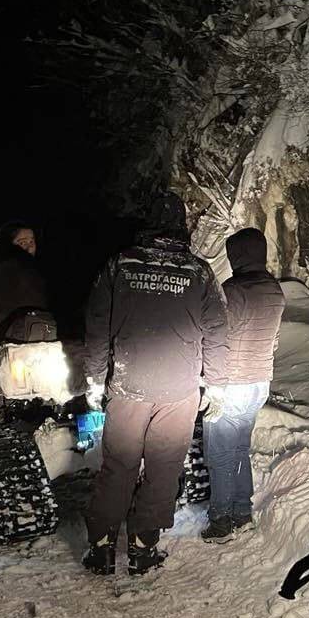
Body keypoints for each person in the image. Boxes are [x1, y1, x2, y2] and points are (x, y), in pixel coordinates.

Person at [81, 193, 229, 575]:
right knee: (164, 469)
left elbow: (96, 324)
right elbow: (217, 330)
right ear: (182, 226)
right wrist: (215, 384)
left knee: (119, 466)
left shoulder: (120, 265)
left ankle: (100, 548)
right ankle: (143, 550)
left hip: (129, 384)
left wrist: (95, 378)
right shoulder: (198, 272)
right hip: (179, 391)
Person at [201, 228, 286, 540]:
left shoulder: (231, 291)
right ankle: (242, 513)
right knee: (239, 449)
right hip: (258, 384)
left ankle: (221, 522)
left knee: (220, 454)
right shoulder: (275, 290)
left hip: (230, 384)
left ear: (236, 256)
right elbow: (273, 342)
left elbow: (216, 339)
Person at [0, 221, 52, 340]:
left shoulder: (34, 268)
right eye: (22, 242)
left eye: (31, 241)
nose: (29, 247)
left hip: (30, 334)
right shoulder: (9, 269)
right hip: (17, 338)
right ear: (8, 244)